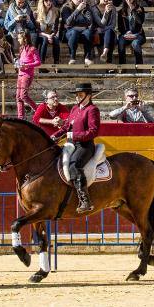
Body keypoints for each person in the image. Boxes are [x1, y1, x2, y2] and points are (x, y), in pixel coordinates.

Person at [50, 82, 99, 213]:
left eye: (80, 95)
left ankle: (85, 200)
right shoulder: (74, 109)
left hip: (85, 146)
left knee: (74, 166)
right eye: (77, 95)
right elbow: (66, 127)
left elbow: (93, 131)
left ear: (88, 96)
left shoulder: (92, 110)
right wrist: (54, 136)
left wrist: (74, 135)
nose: (77, 97)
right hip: (72, 145)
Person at [62, 0, 99, 65]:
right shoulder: (66, 8)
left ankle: (87, 57)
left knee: (88, 32)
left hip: (83, 32)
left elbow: (89, 22)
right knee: (74, 32)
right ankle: (72, 58)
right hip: (70, 33)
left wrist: (74, 23)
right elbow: (68, 22)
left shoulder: (86, 8)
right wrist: (78, 9)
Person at [15, 32, 41, 118]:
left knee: (23, 95)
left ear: (25, 39)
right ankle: (20, 117)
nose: (18, 40)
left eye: (19, 38)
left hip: (27, 75)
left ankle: (38, 110)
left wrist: (27, 65)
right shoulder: (21, 48)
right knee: (18, 97)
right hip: (20, 74)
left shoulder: (32, 49)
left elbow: (38, 62)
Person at [117, 0, 145, 64]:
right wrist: (126, 32)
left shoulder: (140, 9)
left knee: (135, 44)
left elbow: (140, 22)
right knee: (121, 43)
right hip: (125, 34)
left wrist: (133, 10)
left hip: (138, 34)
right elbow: (120, 27)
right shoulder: (121, 11)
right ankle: (122, 66)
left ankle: (139, 68)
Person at [36, 0, 61, 64]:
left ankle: (56, 64)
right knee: (44, 39)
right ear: (42, 2)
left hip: (51, 34)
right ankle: (41, 63)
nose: (49, 2)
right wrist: (47, 36)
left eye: (50, 0)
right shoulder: (37, 14)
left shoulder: (56, 12)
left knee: (56, 40)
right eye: (46, 0)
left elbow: (55, 28)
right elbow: (37, 30)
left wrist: (51, 35)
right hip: (41, 34)